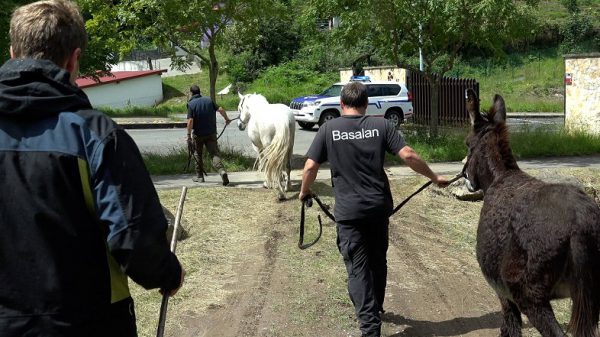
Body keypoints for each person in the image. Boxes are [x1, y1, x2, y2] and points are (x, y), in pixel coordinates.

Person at [0, 1, 184, 336]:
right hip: (88, 322)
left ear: (12, 53)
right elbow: (133, 236)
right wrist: (167, 273)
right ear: (74, 59)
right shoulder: (96, 136)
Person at [299, 82, 449, 337]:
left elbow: (310, 167)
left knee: (359, 269)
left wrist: (304, 191)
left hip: (349, 214)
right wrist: (434, 177)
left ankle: (370, 328)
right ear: (366, 104)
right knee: (378, 261)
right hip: (379, 209)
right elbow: (409, 155)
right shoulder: (382, 125)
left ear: (341, 104)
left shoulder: (328, 129)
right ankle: (375, 308)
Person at [186, 84, 231, 185]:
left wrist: (188, 135)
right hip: (211, 133)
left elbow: (190, 121)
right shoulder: (209, 100)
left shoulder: (191, 104)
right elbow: (220, 109)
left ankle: (199, 176)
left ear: (191, 93)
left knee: (198, 154)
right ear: (199, 92)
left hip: (198, 134)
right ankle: (221, 171)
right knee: (214, 153)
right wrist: (226, 119)